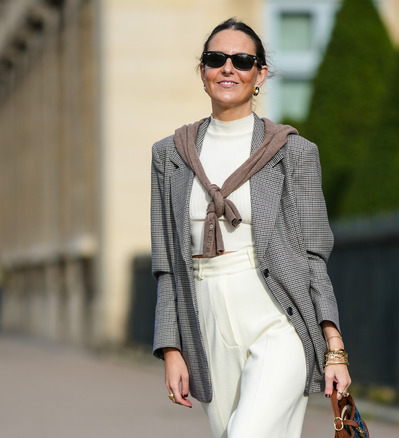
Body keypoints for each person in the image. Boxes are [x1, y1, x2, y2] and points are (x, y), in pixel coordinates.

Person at [150, 18, 351, 438]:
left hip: (280, 316)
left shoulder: (294, 152)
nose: (228, 68)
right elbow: (168, 261)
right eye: (215, 59)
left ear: (260, 74)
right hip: (206, 320)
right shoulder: (169, 155)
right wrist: (171, 348)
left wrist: (334, 347)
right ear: (202, 72)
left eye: (242, 60)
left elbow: (313, 256)